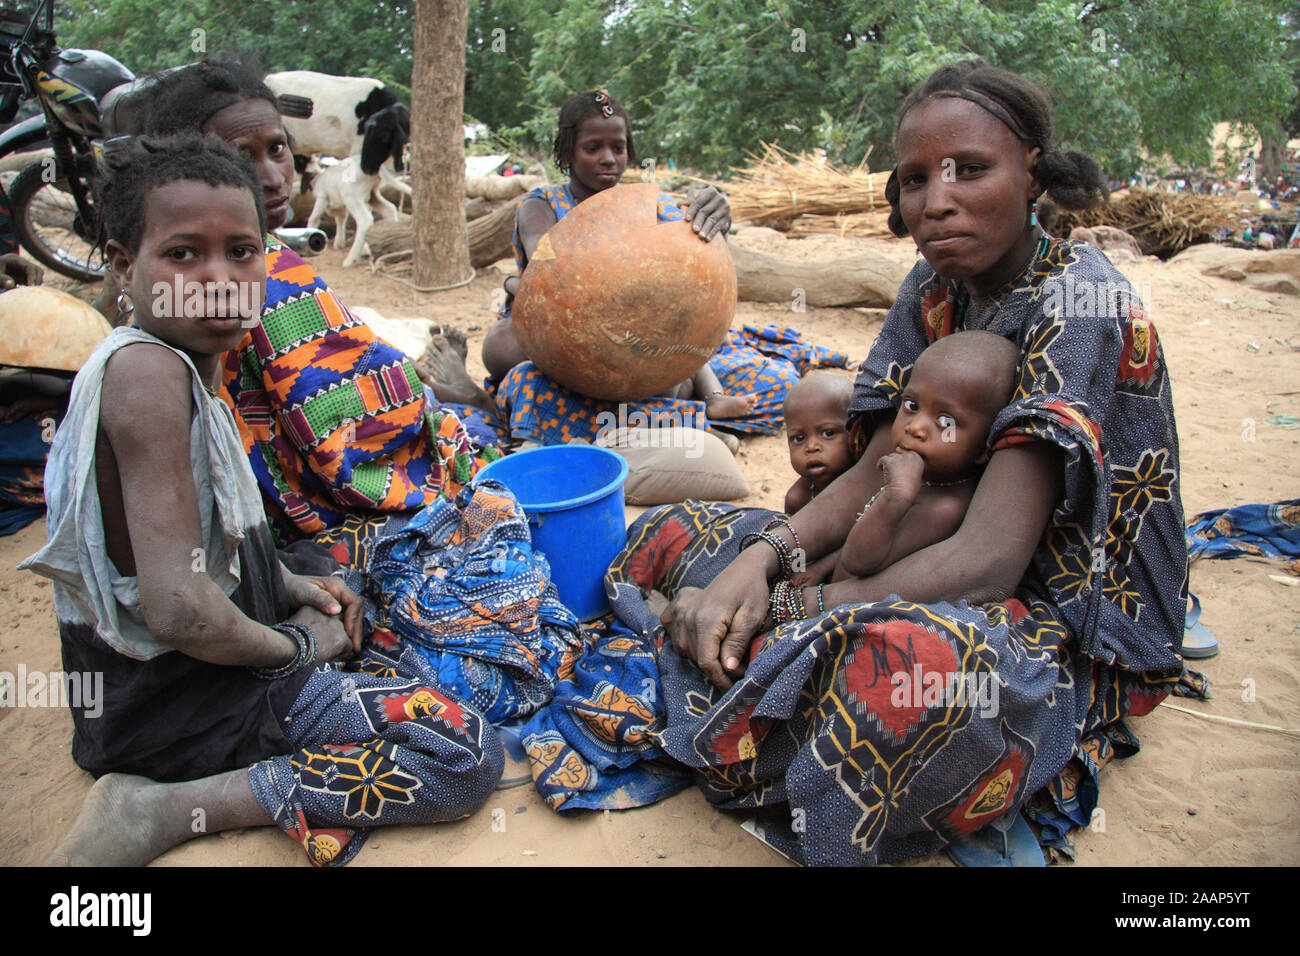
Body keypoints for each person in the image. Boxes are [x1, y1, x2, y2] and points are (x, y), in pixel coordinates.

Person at [604, 60, 1194, 865]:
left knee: (909, 680)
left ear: (1033, 171)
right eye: (913, 180)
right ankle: (768, 676)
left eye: (971, 170)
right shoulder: (935, 284)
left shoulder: (1082, 303)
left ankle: (775, 689)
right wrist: (760, 560)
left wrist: (796, 608)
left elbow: (989, 563)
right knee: (682, 535)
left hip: (1052, 605)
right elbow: (877, 462)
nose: (936, 201)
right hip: (916, 546)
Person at [20, 134, 501, 867]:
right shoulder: (148, 380)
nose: (218, 277)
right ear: (124, 264)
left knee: (345, 584)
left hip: (150, 695)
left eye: (242, 252)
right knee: (462, 752)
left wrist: (288, 584)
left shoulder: (178, 362)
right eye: (183, 254)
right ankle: (167, 809)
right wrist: (297, 647)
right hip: (178, 712)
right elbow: (179, 607)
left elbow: (206, 539)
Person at [114, 59, 498, 546]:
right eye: (240, 156)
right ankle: (462, 396)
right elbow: (340, 427)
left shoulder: (161, 276)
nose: (272, 176)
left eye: (277, 149)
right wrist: (409, 392)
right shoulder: (266, 270)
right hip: (294, 498)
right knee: (471, 434)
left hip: (257, 486)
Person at [464, 90, 815, 446]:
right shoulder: (541, 205)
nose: (608, 159)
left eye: (618, 148)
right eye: (593, 148)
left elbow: (690, 264)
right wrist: (516, 283)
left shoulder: (650, 204)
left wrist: (715, 218)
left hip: (636, 342)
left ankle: (658, 415)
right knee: (503, 349)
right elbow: (547, 272)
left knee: (778, 384)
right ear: (568, 151)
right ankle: (682, 421)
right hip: (563, 342)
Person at [783, 373, 854, 515]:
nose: (811, 447)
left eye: (828, 433)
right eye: (799, 438)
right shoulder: (798, 500)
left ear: (855, 432)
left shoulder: (871, 489)